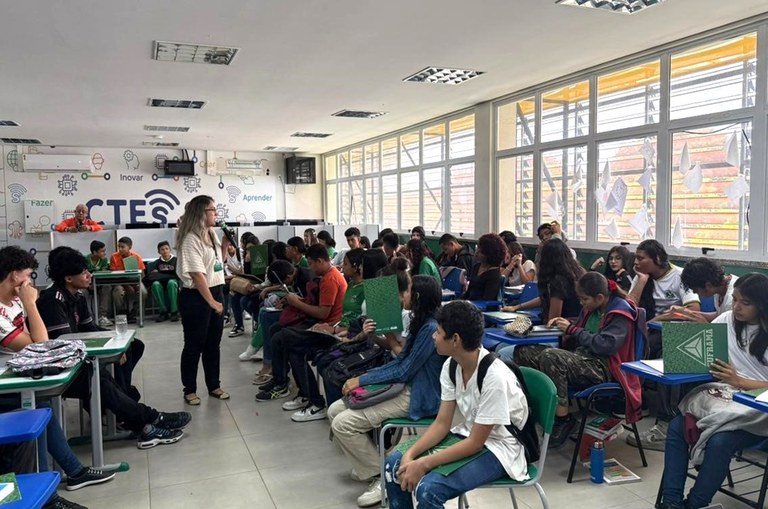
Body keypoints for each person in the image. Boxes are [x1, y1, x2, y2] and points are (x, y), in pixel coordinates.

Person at [13, 247, 189, 450]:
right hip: (61, 366)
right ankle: (146, 420)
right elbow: (63, 341)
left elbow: (90, 328)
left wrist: (117, 342)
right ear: (69, 278)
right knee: (100, 378)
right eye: (84, 273)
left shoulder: (77, 296)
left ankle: (125, 408)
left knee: (132, 347)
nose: (89, 276)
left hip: (73, 359)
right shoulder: (53, 300)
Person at [384, 300, 529, 509]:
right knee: (394, 466)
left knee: (428, 489)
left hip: (500, 448)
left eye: (438, 332)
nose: (434, 336)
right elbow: (442, 423)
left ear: (455, 340)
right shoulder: (452, 366)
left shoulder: (494, 377)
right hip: (467, 434)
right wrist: (410, 454)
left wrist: (423, 464)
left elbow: (476, 443)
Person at [329, 274, 444, 507]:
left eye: (408, 290)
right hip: (405, 386)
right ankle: (373, 465)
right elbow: (401, 359)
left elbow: (404, 370)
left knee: (342, 424)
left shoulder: (430, 327)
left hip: (419, 395)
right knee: (334, 410)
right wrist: (381, 341)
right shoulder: (421, 322)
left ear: (418, 296)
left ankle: (380, 477)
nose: (403, 295)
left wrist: (362, 379)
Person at [658, 273, 768, 509]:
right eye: (736, 299)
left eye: (745, 303)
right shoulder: (727, 319)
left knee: (719, 442)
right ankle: (671, 502)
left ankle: (695, 504)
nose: (737, 307)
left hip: (758, 409)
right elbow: (709, 352)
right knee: (677, 426)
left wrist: (739, 381)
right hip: (724, 398)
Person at [514, 272, 642, 447]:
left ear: (600, 297)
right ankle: (537, 407)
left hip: (604, 367)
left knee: (551, 356)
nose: (581, 303)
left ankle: (563, 418)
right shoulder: (592, 308)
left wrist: (572, 330)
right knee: (524, 351)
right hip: (582, 358)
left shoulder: (620, 312)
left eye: (584, 299)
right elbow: (581, 329)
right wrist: (564, 323)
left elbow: (606, 345)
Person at [626, 239, 700, 451]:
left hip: (675, 334)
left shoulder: (679, 276)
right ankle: (630, 402)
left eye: (641, 258)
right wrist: (640, 281)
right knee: (624, 344)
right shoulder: (643, 277)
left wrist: (660, 320)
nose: (636, 262)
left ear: (657, 259)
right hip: (649, 332)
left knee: (669, 357)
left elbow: (692, 309)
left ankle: (666, 426)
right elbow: (630, 308)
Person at [255, 243, 347, 407]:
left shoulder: (330, 279)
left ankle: (284, 385)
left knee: (281, 339)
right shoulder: (326, 277)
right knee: (278, 331)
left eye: (311, 263)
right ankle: (294, 388)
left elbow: (322, 314)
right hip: (321, 325)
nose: (310, 268)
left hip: (326, 330)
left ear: (320, 261)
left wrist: (296, 303)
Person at [176, 195, 229, 405]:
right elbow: (198, 275)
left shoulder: (212, 234)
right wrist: (211, 302)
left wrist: (224, 246)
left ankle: (214, 385)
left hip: (216, 290)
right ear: (201, 213)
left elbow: (217, 264)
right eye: (212, 210)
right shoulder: (191, 238)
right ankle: (189, 389)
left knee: (213, 343)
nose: (216, 213)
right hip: (197, 296)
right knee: (194, 345)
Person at [503, 238, 585, 321]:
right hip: (576, 324)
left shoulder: (558, 281)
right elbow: (546, 298)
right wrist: (517, 307)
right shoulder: (577, 272)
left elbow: (553, 320)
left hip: (563, 328)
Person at [679, 257, 738, 321]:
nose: (694, 292)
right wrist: (688, 314)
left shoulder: (733, 299)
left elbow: (728, 329)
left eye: (695, 289)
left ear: (708, 285)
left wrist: (704, 323)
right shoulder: (719, 288)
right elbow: (720, 315)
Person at [109, 236, 147, 322]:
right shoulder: (114, 257)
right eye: (119, 247)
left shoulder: (136, 257)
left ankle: (134, 312)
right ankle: (122, 313)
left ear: (129, 247)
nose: (120, 249)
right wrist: (126, 285)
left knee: (143, 292)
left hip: (135, 281)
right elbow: (113, 275)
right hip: (119, 282)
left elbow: (142, 274)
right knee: (117, 292)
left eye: (123, 247)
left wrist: (135, 284)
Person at [463, 233, 505, 301]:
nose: (476, 253)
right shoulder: (476, 266)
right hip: (470, 304)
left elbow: (488, 299)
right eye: (477, 248)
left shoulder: (494, 275)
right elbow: (468, 293)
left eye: (481, 252)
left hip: (483, 308)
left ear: (489, 254)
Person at [145, 241, 180, 322]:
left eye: (167, 249)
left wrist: (160, 274)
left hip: (172, 284)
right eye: (162, 249)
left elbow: (179, 275)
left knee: (171, 282)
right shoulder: (156, 263)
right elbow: (151, 276)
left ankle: (174, 311)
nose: (165, 251)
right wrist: (169, 274)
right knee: (155, 284)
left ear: (170, 249)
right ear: (159, 252)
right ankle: (163, 312)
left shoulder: (176, 261)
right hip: (160, 283)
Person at [84, 240, 113, 328]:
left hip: (99, 284)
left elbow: (103, 273)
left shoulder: (104, 260)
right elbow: (83, 274)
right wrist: (89, 285)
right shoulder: (85, 259)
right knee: (80, 293)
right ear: (94, 252)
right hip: (86, 285)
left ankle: (102, 317)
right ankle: (85, 317)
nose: (104, 253)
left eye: (105, 251)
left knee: (107, 287)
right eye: (102, 251)